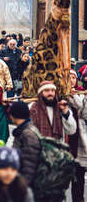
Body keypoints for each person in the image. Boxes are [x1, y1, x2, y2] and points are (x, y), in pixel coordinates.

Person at [9, 101, 41, 186]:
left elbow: (30, 165)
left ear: (14, 115)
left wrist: (23, 187)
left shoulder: (28, 134)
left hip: (25, 185)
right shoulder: (23, 130)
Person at [67, 70, 87, 202]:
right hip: (65, 140)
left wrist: (73, 97)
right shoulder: (57, 94)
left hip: (79, 142)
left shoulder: (80, 94)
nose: (72, 80)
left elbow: (84, 112)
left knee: (78, 177)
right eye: (69, 77)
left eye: (74, 77)